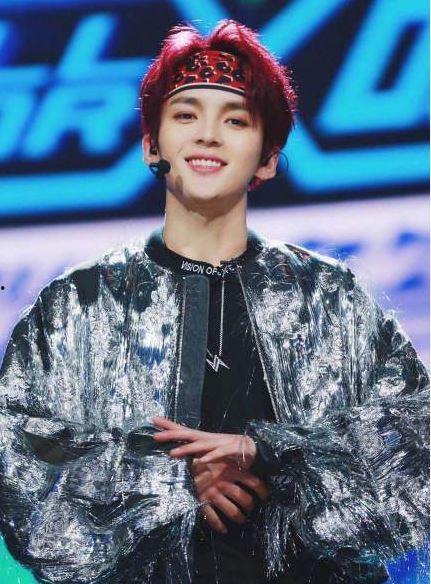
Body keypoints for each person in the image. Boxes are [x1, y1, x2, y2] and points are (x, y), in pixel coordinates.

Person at [0, 19, 428, 584]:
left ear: (268, 158)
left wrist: (270, 453)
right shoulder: (77, 305)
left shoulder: (331, 299)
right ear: (152, 146)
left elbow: (414, 442)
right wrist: (168, 478)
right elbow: (20, 465)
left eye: (236, 120)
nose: (207, 135)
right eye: (185, 115)